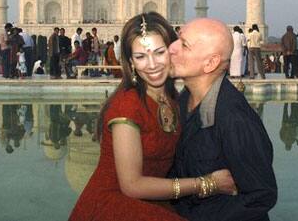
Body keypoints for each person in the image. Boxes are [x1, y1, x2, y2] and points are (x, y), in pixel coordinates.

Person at [69, 12, 235, 221]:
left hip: (153, 200)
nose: (152, 64)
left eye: (159, 52)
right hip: (114, 205)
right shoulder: (128, 106)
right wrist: (207, 183)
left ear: (172, 51)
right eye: (141, 56)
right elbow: (132, 185)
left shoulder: (173, 98)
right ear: (131, 63)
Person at [168, 18, 277, 221]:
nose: (171, 49)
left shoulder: (233, 117)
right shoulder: (183, 101)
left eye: (183, 45)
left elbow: (261, 195)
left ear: (210, 63)